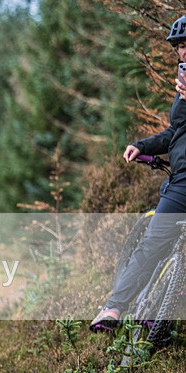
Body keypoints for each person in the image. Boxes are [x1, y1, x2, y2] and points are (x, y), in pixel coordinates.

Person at [90, 15, 186, 332]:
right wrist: (142, 145)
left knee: (156, 244)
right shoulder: (183, 84)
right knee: (155, 245)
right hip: (181, 182)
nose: (183, 53)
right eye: (180, 47)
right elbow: (177, 130)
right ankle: (116, 309)